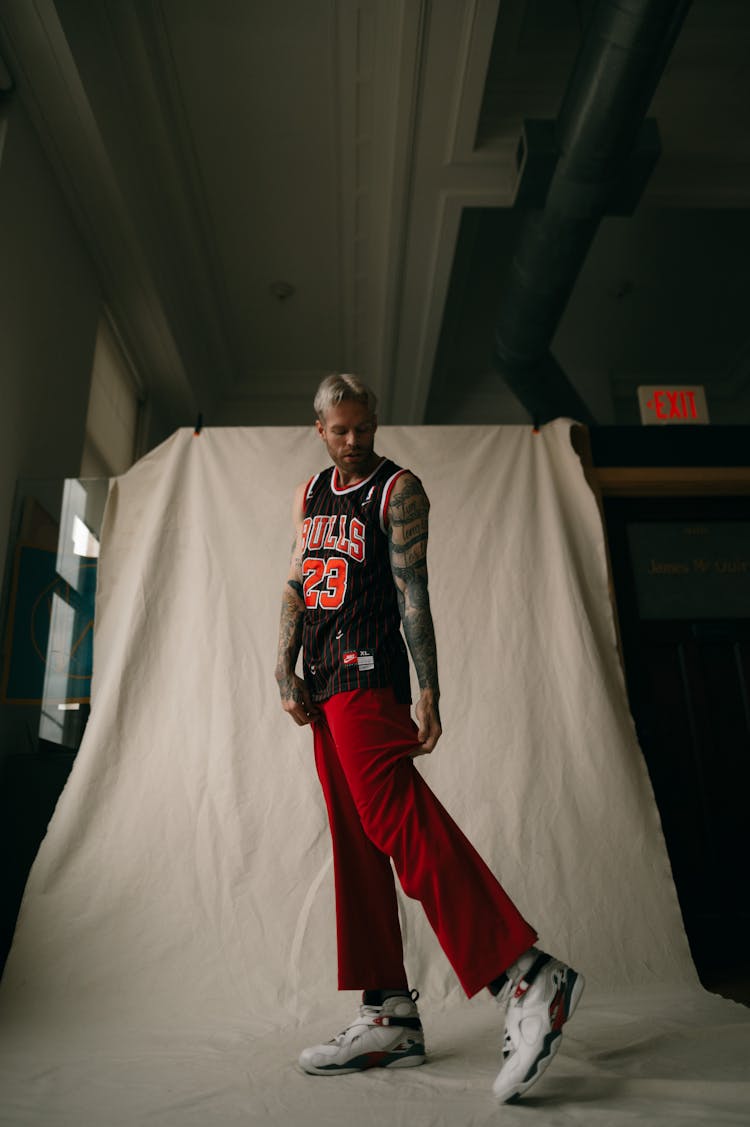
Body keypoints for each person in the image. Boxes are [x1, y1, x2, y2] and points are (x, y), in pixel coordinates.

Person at [274, 373, 584, 1102]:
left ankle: (529, 974)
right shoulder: (309, 493)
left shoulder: (399, 489)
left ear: (374, 421)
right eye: (341, 429)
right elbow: (297, 577)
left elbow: (415, 589)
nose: (354, 439)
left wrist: (429, 687)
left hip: (371, 675)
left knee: (397, 820)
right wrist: (282, 664)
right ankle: (389, 1012)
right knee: (356, 838)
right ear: (319, 428)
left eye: (364, 426)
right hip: (321, 683)